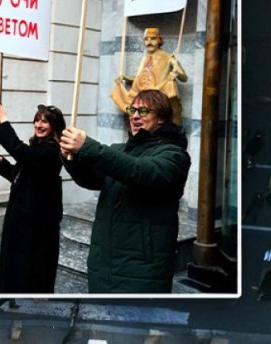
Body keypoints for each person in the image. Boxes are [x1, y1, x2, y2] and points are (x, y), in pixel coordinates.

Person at [59, 89, 191, 293]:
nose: (135, 116)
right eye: (132, 110)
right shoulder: (119, 149)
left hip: (141, 270)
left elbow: (139, 171)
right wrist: (73, 158)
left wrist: (88, 147)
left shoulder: (174, 155)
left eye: (144, 111)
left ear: (162, 119)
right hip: (103, 265)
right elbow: (92, 179)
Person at [0, 102, 66, 293]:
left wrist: (4, 119)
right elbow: (25, 177)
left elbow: (21, 151)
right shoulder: (39, 147)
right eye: (37, 120)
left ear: (54, 127)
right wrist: (3, 166)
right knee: (16, 264)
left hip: (36, 222)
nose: (39, 125)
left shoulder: (53, 150)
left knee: (28, 268)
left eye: (45, 122)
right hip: (23, 216)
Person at [111, 27, 188, 124]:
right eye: (146, 39)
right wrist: (125, 77)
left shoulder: (168, 57)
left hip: (158, 97)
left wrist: (176, 72)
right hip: (143, 100)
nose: (149, 42)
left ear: (159, 40)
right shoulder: (145, 58)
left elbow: (184, 77)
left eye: (153, 38)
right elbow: (139, 78)